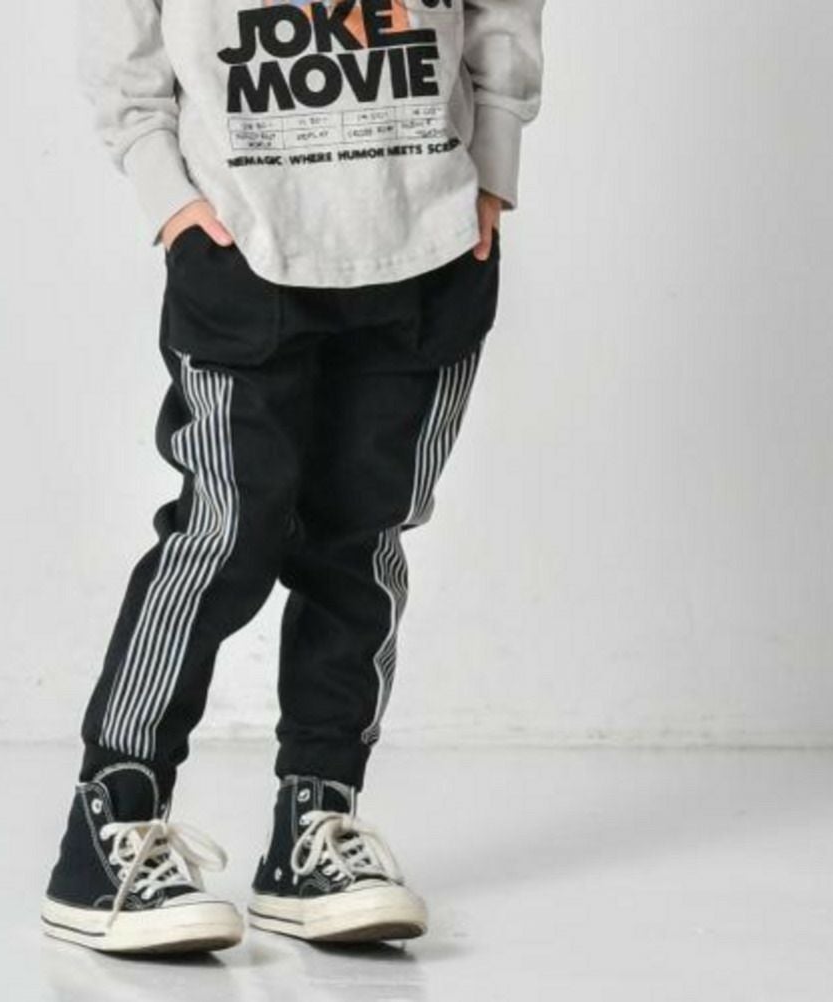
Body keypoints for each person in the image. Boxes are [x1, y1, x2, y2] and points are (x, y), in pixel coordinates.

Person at [42, 0, 545, 954]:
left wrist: (495, 166)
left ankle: (316, 823)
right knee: (223, 538)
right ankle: (111, 820)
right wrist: (167, 195)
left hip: (428, 240)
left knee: (359, 547)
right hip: (243, 242)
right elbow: (122, 29)